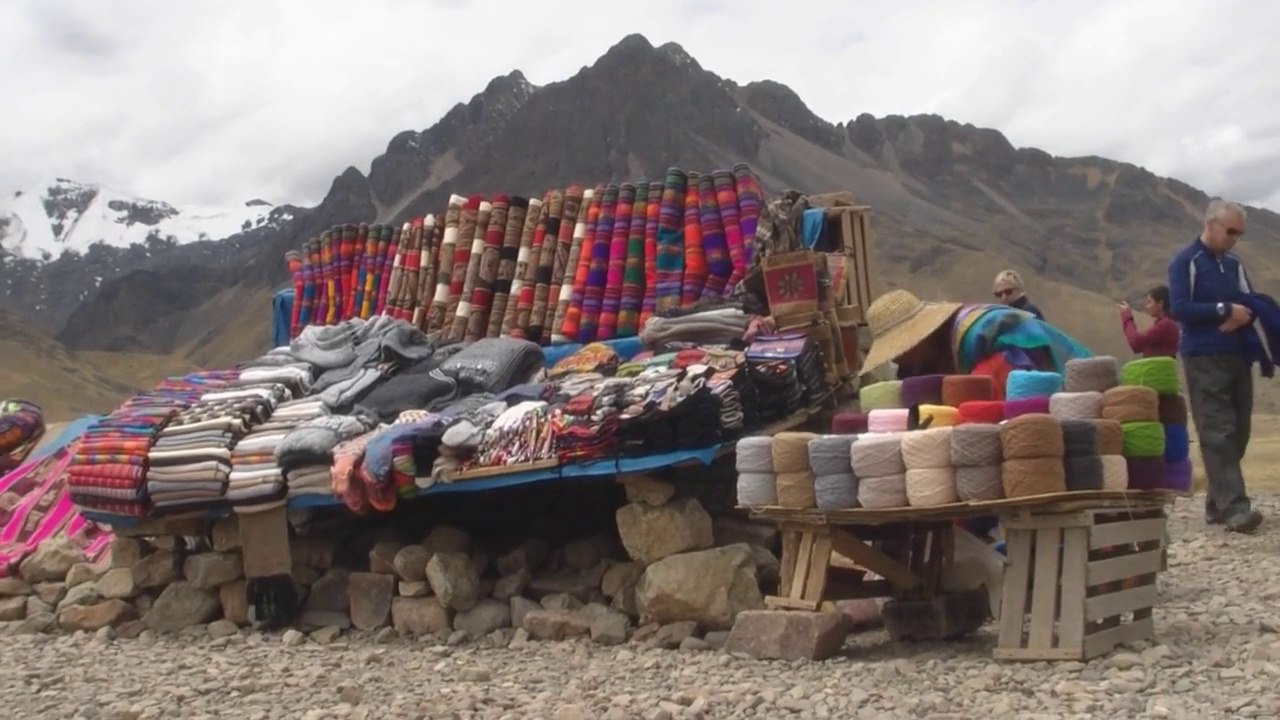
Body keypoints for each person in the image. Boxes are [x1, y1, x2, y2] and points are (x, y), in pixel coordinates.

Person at [1167, 198, 1262, 533]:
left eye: (1240, 233)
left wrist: (1241, 316)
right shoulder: (1186, 261)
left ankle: (1216, 502)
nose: (1235, 238)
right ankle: (1236, 508)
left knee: (1239, 429)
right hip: (1203, 353)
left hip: (1237, 353)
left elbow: (1250, 300)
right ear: (1211, 224)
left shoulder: (1234, 263)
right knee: (1217, 429)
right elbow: (1179, 307)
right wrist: (1224, 310)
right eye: (1231, 230)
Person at [859, 289, 1090, 391]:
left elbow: (1015, 407)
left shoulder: (987, 339)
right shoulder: (943, 350)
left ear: (919, 339)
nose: (898, 360)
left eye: (900, 350)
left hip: (1083, 391)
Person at [1119, 285, 1179, 358]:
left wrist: (1126, 316)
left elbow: (1136, 343)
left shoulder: (1165, 325)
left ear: (1160, 303)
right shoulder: (1166, 324)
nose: (1147, 306)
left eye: (1150, 302)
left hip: (1158, 369)